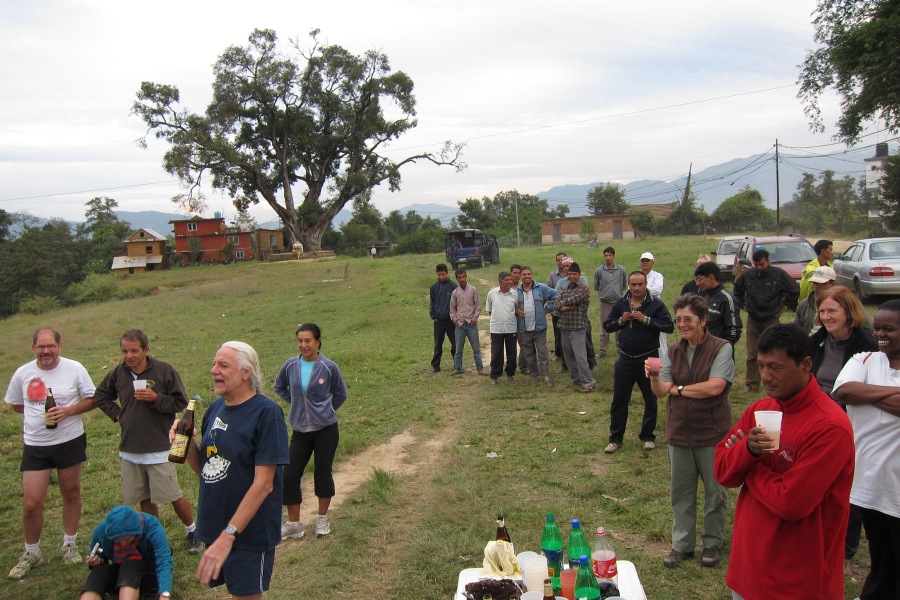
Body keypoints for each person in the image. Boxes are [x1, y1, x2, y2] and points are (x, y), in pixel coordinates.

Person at [715, 324, 854, 600]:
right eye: (761, 365)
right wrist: (747, 450)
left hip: (796, 581)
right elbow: (722, 471)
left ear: (806, 365)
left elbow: (791, 503)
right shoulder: (761, 410)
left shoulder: (829, 427)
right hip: (748, 569)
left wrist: (750, 464)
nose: (766, 376)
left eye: (775, 367)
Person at [177, 341, 290, 600]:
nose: (213, 370)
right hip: (217, 524)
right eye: (214, 364)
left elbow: (265, 484)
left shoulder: (267, 414)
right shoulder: (216, 409)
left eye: (223, 365)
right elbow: (206, 470)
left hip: (247, 532)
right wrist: (186, 442)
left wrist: (229, 535)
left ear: (246, 372)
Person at [92, 329, 201, 554]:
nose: (129, 356)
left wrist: (156, 398)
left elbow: (180, 402)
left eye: (134, 351)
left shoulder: (163, 370)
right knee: (145, 497)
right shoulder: (118, 373)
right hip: (130, 448)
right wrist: (118, 414)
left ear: (146, 349)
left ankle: (193, 531)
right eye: (124, 351)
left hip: (159, 447)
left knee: (172, 495)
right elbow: (100, 395)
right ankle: (156, 538)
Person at [649, 295, 733, 569]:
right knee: (681, 492)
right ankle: (682, 545)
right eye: (678, 320)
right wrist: (654, 377)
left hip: (712, 433)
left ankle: (712, 543)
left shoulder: (722, 348)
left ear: (703, 320)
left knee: (715, 493)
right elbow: (661, 391)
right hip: (679, 432)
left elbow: (715, 387)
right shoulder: (673, 351)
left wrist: (680, 389)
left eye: (688, 319)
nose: (682, 325)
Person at [5, 327, 97, 579]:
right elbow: (16, 404)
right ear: (33, 348)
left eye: (51, 346)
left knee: (71, 492)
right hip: (35, 445)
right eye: (41, 346)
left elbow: (92, 399)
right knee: (31, 503)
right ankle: (31, 552)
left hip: (69, 441)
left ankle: (69, 544)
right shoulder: (23, 373)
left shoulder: (74, 368)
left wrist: (68, 411)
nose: (46, 351)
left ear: (59, 346)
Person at [833, 300, 900, 600]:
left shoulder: (864, 370)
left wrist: (868, 394)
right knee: (880, 554)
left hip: (897, 485)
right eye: (878, 328)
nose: (880, 334)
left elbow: (856, 392)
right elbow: (845, 391)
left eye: (889, 329)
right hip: (870, 482)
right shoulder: (864, 359)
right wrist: (893, 393)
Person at [808, 286, 876, 573]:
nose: (826, 317)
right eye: (822, 311)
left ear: (849, 312)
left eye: (832, 311)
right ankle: (816, 541)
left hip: (850, 424)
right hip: (815, 421)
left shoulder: (868, 346)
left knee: (847, 488)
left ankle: (845, 553)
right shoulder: (816, 341)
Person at [275, 324, 347, 541]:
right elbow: (279, 387)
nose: (303, 345)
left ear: (318, 342)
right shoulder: (290, 366)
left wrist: (326, 409)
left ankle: (322, 518)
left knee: (322, 473)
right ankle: (294, 525)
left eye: (308, 341)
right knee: (289, 475)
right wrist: (298, 403)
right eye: (300, 341)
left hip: (326, 429)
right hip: (300, 430)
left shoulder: (328, 367)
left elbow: (340, 394)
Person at [603, 272, 675, 453]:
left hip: (649, 357)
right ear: (629, 285)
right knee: (619, 400)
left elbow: (669, 326)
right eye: (633, 284)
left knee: (650, 399)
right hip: (625, 358)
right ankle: (615, 439)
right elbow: (608, 325)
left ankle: (648, 437)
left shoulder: (656, 304)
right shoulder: (620, 303)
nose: (636, 288)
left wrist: (646, 320)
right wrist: (621, 320)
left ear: (646, 284)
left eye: (640, 284)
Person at [733, 248, 800, 393]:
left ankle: (776, 381)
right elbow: (737, 291)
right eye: (756, 264)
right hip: (754, 319)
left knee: (775, 352)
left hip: (771, 319)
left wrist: (785, 307)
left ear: (768, 262)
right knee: (752, 354)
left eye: (762, 264)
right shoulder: (747, 275)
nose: (759, 267)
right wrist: (744, 306)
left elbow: (794, 290)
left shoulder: (778, 274)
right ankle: (751, 384)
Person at [79, 505, 174, 600]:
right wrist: (96, 563)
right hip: (120, 573)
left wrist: (164, 594)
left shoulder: (152, 527)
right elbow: (102, 560)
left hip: (147, 574)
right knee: (99, 571)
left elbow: (164, 561)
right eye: (117, 541)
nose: (124, 544)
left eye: (128, 539)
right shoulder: (101, 533)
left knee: (129, 566)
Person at [550, 262, 596, 392]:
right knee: (568, 356)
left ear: (579, 275)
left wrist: (563, 303)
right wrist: (565, 306)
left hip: (578, 327)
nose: (572, 276)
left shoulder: (583, 288)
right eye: (570, 274)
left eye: (574, 274)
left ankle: (588, 382)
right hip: (564, 327)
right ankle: (576, 379)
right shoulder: (565, 289)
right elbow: (555, 305)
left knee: (580, 357)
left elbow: (574, 299)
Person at [515, 266, 557, 387]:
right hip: (523, 329)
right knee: (528, 354)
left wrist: (547, 309)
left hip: (539, 328)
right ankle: (534, 375)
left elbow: (556, 295)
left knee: (542, 353)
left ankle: (546, 376)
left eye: (529, 274)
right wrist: (516, 311)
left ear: (532, 275)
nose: (526, 276)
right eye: (524, 274)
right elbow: (510, 306)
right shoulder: (516, 292)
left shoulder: (541, 288)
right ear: (520, 277)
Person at [694, 262, 742, 346]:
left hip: (719, 349)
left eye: (699, 279)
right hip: (704, 347)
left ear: (711, 277)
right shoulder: (705, 297)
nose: (697, 284)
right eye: (696, 280)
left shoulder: (727, 299)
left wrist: (723, 348)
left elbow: (734, 330)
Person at [450, 269, 486, 375]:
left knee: (476, 348)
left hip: (471, 324)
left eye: (463, 277)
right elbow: (452, 308)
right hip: (460, 324)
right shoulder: (455, 292)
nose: (462, 279)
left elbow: (478, 306)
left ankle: (480, 369)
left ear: (466, 277)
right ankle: (458, 368)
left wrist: (474, 318)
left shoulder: (473, 290)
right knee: (458, 349)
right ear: (456, 279)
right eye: (459, 278)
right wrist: (455, 320)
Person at [485, 271, 518, 387]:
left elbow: (516, 309)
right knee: (496, 353)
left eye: (510, 280)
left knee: (512, 353)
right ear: (500, 281)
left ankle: (510, 373)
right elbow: (489, 310)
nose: (510, 282)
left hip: (511, 328)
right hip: (496, 329)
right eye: (507, 280)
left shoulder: (515, 294)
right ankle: (495, 376)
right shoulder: (491, 293)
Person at [593, 247, 627, 359]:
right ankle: (602, 350)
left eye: (610, 255)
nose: (608, 258)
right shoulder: (599, 271)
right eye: (606, 255)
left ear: (614, 256)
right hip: (605, 302)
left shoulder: (621, 270)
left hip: (618, 302)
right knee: (604, 327)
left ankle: (620, 348)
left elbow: (623, 285)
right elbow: (596, 286)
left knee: (620, 325)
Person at [429, 263, 458, 373]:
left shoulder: (453, 286)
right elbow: (432, 302)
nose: (441, 276)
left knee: (455, 344)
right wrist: (433, 315)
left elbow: (457, 303)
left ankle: (457, 365)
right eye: (439, 274)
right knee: (438, 344)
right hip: (438, 321)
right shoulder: (434, 287)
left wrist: (455, 317)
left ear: (447, 273)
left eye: (443, 274)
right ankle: (435, 366)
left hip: (451, 321)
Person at [548, 252, 568, 360]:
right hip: (556, 310)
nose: (560, 262)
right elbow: (549, 291)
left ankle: (567, 354)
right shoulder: (552, 275)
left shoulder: (571, 274)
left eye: (562, 260)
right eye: (558, 260)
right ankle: (558, 354)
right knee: (557, 333)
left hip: (568, 310)